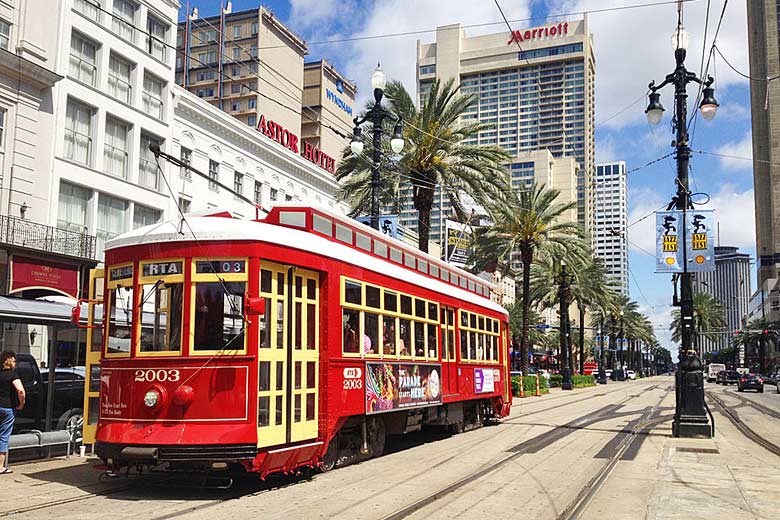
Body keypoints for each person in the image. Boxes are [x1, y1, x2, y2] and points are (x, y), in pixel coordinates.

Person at [0, 351, 25, 474]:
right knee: (3, 436)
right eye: (14, 360)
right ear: (10, 361)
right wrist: (21, 403)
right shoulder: (12, 375)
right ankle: (0, 466)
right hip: (7, 408)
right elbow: (20, 390)